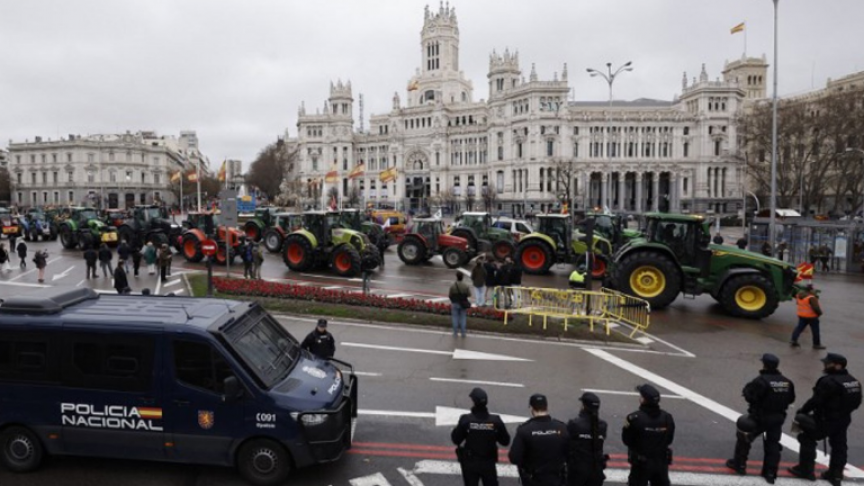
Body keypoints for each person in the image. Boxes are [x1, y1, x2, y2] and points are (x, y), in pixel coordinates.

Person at [789, 353, 861, 486]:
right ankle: (836, 474)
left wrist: (802, 411)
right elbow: (857, 402)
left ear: (838, 366)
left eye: (828, 363)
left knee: (806, 438)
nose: (825, 365)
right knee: (839, 445)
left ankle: (806, 470)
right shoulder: (854, 382)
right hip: (844, 419)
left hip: (825, 419)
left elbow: (815, 401)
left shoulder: (828, 381)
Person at [726, 353, 795, 484]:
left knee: (745, 438)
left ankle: (739, 465)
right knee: (772, 445)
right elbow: (791, 399)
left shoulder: (761, 381)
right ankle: (770, 472)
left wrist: (747, 390)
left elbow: (750, 396)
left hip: (760, 418)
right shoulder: (787, 382)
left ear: (764, 365)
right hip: (777, 418)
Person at [451, 388, 511, 486]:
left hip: (470, 462)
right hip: (489, 462)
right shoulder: (495, 421)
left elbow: (456, 439)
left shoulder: (466, 420)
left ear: (474, 402)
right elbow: (505, 441)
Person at [508, 394, 569, 486]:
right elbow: (571, 453)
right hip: (557, 479)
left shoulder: (524, 430)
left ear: (532, 408)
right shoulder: (562, 428)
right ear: (546, 407)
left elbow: (514, 458)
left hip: (533, 480)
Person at [622, 384, 675, 486]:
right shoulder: (667, 418)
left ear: (643, 399)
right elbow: (669, 439)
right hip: (661, 463)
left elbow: (627, 440)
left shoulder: (634, 418)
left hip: (641, 464)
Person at [567, 392, 608, 486]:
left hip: (578, 469)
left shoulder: (575, 424)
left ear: (584, 406)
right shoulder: (603, 425)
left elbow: (567, 444)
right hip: (596, 468)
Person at [790, 283, 824, 349]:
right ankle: (816, 344)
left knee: (799, 328)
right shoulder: (811, 297)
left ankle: (793, 340)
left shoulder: (798, 295)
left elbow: (798, 303)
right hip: (812, 317)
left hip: (802, 315)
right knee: (815, 331)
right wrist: (819, 313)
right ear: (811, 289)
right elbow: (816, 308)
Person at [449, 272, 471, 338]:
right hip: (463, 303)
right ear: (462, 277)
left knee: (455, 318)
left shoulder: (453, 285)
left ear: (456, 277)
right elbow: (469, 294)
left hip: (455, 303)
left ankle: (455, 333)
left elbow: (450, 295)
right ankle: (463, 333)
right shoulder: (466, 285)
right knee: (463, 318)